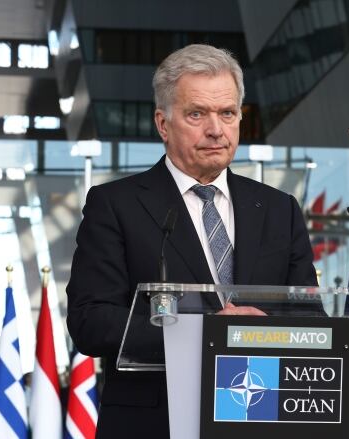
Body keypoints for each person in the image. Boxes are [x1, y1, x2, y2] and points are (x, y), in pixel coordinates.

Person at [66, 44, 318, 438]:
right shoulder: (115, 205)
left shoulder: (278, 208)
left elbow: (310, 317)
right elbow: (91, 322)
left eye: (228, 113)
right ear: (163, 123)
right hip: (154, 423)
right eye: (197, 114)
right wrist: (207, 332)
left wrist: (263, 332)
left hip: (259, 419)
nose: (216, 129)